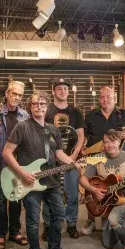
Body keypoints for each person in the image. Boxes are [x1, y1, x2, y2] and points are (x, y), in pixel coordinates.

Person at [2, 91, 81, 249]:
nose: (39, 107)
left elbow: (59, 153)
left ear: (47, 107)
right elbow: (6, 153)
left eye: (43, 104)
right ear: (30, 107)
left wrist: (73, 162)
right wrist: (22, 172)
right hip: (29, 182)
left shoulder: (53, 129)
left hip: (50, 181)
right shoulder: (22, 127)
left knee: (59, 214)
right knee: (32, 220)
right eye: (36, 104)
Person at [0, 80, 30, 249]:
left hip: (17, 165)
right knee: (1, 201)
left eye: (19, 95)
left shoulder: (25, 116)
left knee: (16, 198)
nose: (16, 97)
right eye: (13, 93)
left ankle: (15, 232)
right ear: (7, 94)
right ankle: (1, 233)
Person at [81, 85, 125, 235]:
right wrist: (82, 150)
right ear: (99, 99)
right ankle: (90, 220)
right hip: (95, 157)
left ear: (114, 99)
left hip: (117, 158)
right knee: (91, 185)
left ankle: (116, 217)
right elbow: (83, 136)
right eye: (103, 97)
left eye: (109, 97)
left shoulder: (124, 115)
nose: (106, 100)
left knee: (115, 189)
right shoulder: (90, 116)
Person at [42, 78, 85, 240]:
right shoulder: (46, 111)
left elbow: (80, 137)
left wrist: (72, 157)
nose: (62, 91)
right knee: (49, 194)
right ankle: (48, 225)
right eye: (59, 89)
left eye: (65, 89)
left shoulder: (76, 112)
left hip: (71, 160)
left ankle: (72, 224)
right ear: (54, 91)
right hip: (50, 161)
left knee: (72, 194)